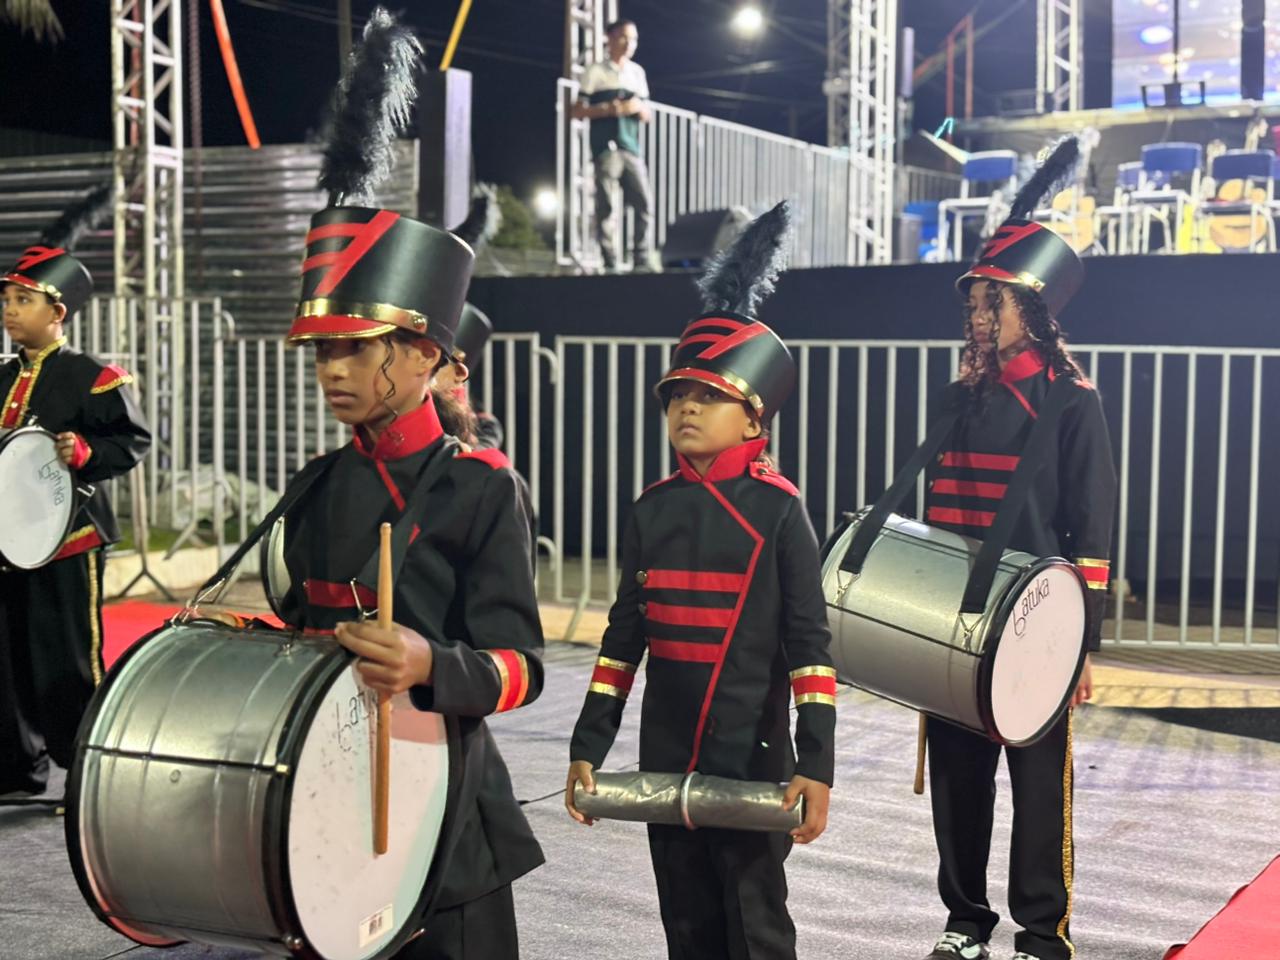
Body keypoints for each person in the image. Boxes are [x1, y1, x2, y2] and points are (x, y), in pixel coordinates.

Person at [275, 11, 544, 958]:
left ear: (426, 355)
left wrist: (432, 663)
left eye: (355, 350)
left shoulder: (483, 488)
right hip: (326, 797)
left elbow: (521, 666)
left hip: (449, 810)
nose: (333, 372)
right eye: (322, 354)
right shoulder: (313, 486)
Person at [566, 202, 835, 960]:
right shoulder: (651, 508)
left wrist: (816, 764)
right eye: (678, 395)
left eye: (710, 394)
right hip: (666, 753)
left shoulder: (780, 511)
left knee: (755, 927)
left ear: (753, 419)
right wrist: (589, 742)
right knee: (685, 926)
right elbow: (622, 644)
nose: (687, 406)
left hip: (754, 756)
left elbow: (810, 652)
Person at [919, 138, 1117, 960]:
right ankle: (965, 921)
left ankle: (1043, 933)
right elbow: (936, 518)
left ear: (1031, 306)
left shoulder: (1072, 400)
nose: (978, 314)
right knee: (958, 780)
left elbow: (1092, 533)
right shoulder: (958, 398)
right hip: (955, 618)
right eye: (974, 300)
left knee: (1039, 788)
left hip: (1040, 625)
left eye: (992, 300)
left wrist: (1083, 643)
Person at [0, 187, 151, 797]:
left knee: (67, 658)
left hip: (69, 539)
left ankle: (83, 773)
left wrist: (85, 453)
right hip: (7, 542)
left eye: (23, 300)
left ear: (57, 312)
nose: (10, 311)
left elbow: (133, 441)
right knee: (8, 658)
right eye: (6, 300)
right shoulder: (3, 377)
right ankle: (17, 768)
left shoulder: (93, 377)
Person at [571, 18, 658, 273]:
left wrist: (637, 108)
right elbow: (576, 111)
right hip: (605, 148)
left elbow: (647, 114)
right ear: (609, 38)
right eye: (624, 37)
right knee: (606, 205)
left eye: (634, 39)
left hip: (631, 147)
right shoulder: (594, 71)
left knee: (644, 202)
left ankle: (641, 258)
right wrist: (609, 109)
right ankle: (609, 260)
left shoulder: (637, 73)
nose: (630, 43)